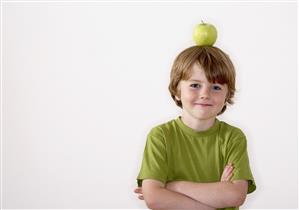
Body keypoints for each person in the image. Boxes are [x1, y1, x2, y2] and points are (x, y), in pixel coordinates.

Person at [134, 45, 256, 210]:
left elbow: (235, 195)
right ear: (177, 90)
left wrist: (174, 187)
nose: (205, 93)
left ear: (227, 95)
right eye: (195, 85)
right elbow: (154, 198)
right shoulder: (160, 136)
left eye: (216, 87)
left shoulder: (233, 137)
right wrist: (215, 195)